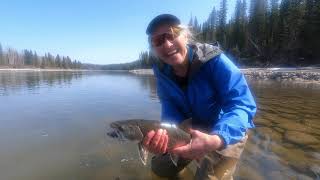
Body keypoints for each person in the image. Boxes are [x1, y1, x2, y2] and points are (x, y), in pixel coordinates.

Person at [143, 14, 256, 179]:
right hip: (188, 130)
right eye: (158, 41)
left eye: (172, 34)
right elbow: (171, 110)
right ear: (153, 48)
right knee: (160, 168)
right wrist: (166, 140)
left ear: (186, 35)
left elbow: (242, 105)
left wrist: (217, 139)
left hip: (226, 129)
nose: (167, 44)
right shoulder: (162, 73)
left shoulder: (214, 60)